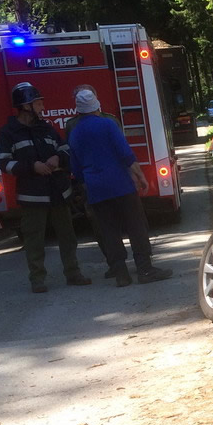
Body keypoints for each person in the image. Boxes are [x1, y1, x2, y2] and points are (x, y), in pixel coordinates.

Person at [66, 85, 172, 287]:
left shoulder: (74, 132)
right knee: (135, 225)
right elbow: (125, 154)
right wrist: (140, 177)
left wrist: (86, 183)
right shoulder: (108, 125)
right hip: (121, 185)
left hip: (96, 189)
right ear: (97, 106)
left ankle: (121, 273)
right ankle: (145, 269)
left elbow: (76, 167)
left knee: (109, 230)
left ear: (78, 109)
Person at [0, 82, 91, 293]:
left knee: (68, 236)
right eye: (38, 102)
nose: (42, 106)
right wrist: (32, 167)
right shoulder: (8, 133)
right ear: (25, 106)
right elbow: (4, 163)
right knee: (34, 239)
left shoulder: (46, 127)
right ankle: (37, 279)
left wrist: (58, 157)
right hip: (32, 196)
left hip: (58, 191)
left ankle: (73, 273)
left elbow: (65, 148)